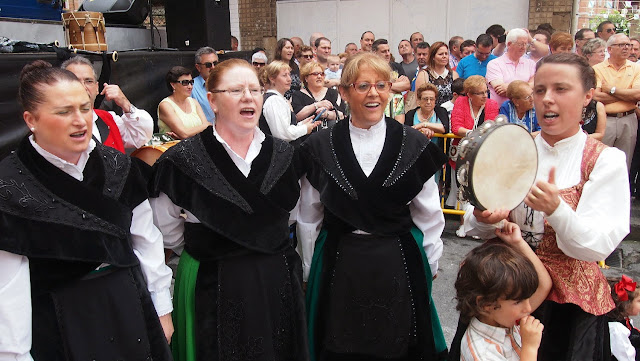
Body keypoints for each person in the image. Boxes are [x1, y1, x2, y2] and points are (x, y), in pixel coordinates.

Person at [0, 60, 173, 360]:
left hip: (128, 305)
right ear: (31, 119)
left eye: (84, 107)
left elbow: (146, 240)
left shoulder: (118, 166)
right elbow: (7, 292)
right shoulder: (9, 184)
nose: (80, 120)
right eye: (64, 112)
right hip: (60, 321)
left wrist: (161, 309)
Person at [462, 53, 630, 361]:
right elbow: (479, 226)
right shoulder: (515, 146)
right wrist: (485, 217)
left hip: (568, 307)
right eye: (539, 90)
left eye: (560, 89)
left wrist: (558, 210)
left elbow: (595, 247)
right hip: (505, 295)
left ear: (588, 96)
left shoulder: (604, 160)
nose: (546, 99)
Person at [150, 58, 310, 361]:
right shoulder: (181, 161)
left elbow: (293, 215)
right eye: (235, 90)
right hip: (209, 278)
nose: (248, 97)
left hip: (275, 279)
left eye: (255, 89)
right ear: (212, 100)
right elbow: (167, 228)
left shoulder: (287, 156)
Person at [298, 52, 449, 361]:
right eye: (363, 85)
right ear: (343, 92)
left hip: (398, 260)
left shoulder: (414, 144)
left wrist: (430, 261)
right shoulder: (319, 146)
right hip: (338, 261)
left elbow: (429, 213)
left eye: (381, 85)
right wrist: (309, 269)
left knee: (397, 344)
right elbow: (308, 214)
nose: (373, 93)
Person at [456, 224, 552, 361]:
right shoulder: (482, 353)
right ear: (486, 304)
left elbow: (544, 285)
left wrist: (518, 243)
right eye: (518, 301)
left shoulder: (503, 318)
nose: (528, 308)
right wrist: (530, 348)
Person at [62, 56, 153, 151]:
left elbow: (141, 136)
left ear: (97, 88)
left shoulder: (109, 119)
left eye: (88, 81)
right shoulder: (54, 123)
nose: (83, 87)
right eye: (75, 81)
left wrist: (125, 103)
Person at [448, 75, 499, 237]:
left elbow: (491, 126)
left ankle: (477, 224)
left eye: (486, 92)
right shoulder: (461, 103)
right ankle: (463, 223)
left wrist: (473, 135)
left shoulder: (492, 104)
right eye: (480, 93)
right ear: (469, 94)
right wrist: (472, 133)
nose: (485, 96)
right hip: (462, 153)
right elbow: (456, 127)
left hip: (484, 153)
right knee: (463, 188)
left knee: (480, 189)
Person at [593, 33, 640, 169]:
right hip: (605, 120)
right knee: (601, 161)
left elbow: (637, 94)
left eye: (628, 45)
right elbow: (596, 96)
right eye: (621, 45)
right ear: (609, 49)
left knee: (624, 164)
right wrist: (626, 93)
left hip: (628, 119)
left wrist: (611, 89)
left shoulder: (636, 68)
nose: (626, 48)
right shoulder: (598, 69)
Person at [259, 61, 319, 141]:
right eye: (284, 75)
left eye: (289, 75)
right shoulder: (274, 100)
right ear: (272, 78)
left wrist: (301, 124)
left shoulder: (278, 99)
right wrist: (305, 128)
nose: (289, 79)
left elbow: (286, 128)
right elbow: (283, 135)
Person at [486, 28, 537, 107]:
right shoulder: (494, 64)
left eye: (525, 44)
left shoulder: (531, 64)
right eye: (520, 44)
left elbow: (535, 85)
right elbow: (500, 90)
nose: (523, 47)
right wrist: (527, 86)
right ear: (509, 44)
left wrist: (509, 86)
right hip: (501, 113)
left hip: (526, 111)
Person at [157, 66, 209, 139]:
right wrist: (205, 126)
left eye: (191, 82)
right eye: (185, 83)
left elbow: (207, 130)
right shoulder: (166, 105)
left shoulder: (194, 102)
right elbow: (184, 134)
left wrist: (184, 135)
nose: (190, 86)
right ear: (173, 85)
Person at [292, 62, 345, 128]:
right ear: (306, 78)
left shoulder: (333, 93)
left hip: (330, 134)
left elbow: (341, 115)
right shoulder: (298, 95)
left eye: (322, 74)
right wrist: (316, 105)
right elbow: (296, 117)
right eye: (315, 74)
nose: (319, 76)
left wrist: (326, 114)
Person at [415, 41, 459, 107]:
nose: (444, 56)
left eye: (446, 54)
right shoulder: (424, 75)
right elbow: (418, 100)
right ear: (433, 57)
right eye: (441, 54)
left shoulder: (454, 75)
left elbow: (457, 99)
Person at [607, 275, 640, 361]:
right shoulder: (617, 329)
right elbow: (627, 358)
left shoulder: (622, 319)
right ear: (625, 304)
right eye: (639, 301)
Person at [190, 47, 219, 123]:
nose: (213, 67)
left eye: (215, 63)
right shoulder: (191, 87)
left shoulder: (228, 82)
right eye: (208, 65)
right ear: (198, 67)